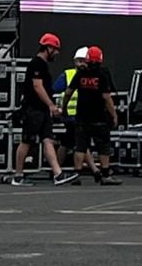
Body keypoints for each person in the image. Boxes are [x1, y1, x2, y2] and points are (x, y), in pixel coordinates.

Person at [11, 33, 77, 186]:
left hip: (41, 111)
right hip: (34, 109)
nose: (57, 53)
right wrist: (51, 105)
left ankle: (58, 174)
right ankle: (18, 176)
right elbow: (37, 86)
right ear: (48, 48)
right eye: (55, 49)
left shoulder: (42, 65)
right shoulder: (37, 64)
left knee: (48, 140)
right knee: (26, 141)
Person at [68, 45, 122, 185]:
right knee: (103, 146)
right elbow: (106, 97)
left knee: (80, 146)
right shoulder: (102, 75)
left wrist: (63, 107)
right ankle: (105, 175)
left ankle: (76, 175)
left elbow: (68, 92)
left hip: (82, 117)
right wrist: (114, 114)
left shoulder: (80, 74)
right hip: (99, 117)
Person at [64, 46, 89, 159]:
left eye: (83, 61)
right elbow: (56, 90)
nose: (81, 64)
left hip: (81, 115)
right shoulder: (68, 74)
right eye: (79, 61)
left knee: (69, 141)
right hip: (73, 116)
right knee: (81, 144)